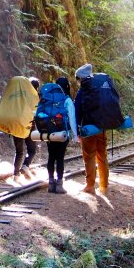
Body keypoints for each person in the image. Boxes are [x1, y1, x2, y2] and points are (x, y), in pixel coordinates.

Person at [74, 63, 116, 196]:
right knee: (102, 155)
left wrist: (77, 131)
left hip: (88, 128)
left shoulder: (84, 90)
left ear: (81, 78)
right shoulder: (100, 87)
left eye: (77, 79)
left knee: (89, 156)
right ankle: (104, 185)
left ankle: (90, 185)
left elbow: (77, 112)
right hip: (102, 126)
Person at [46, 77, 79, 194]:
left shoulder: (49, 98)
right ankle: (59, 185)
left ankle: (50, 184)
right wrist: (75, 135)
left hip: (49, 132)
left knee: (51, 157)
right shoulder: (67, 100)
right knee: (59, 158)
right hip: (62, 133)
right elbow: (72, 118)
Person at [14, 77, 40, 182]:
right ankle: (25, 165)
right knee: (32, 150)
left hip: (16, 126)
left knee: (19, 151)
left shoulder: (18, 97)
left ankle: (16, 176)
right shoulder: (36, 98)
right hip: (29, 126)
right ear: (37, 88)